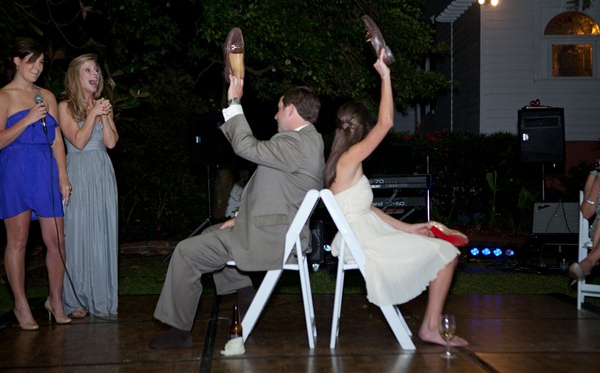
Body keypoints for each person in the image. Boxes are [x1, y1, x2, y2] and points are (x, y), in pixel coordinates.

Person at [149, 75, 325, 349]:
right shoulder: (309, 142)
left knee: (186, 251)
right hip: (279, 229)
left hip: (274, 239)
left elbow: (246, 147)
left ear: (291, 110)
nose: (275, 115)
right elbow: (281, 194)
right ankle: (245, 294)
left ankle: (179, 331)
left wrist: (234, 102)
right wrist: (240, 219)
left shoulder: (295, 142)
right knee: (213, 231)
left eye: (279, 109)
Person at [323, 49, 468, 347]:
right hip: (363, 241)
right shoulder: (350, 158)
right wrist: (385, 76)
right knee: (447, 254)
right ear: (363, 130)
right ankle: (430, 328)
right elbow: (386, 122)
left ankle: (430, 326)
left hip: (366, 232)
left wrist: (409, 228)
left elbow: (367, 210)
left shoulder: (342, 161)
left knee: (440, 248)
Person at [0, 37, 72, 329]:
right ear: (17, 61)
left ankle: (55, 300)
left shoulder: (47, 96)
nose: (38, 67)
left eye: (41, 62)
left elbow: (56, 139)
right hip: (15, 170)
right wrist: (27, 120)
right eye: (32, 61)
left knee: (56, 240)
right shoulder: (3, 96)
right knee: (18, 241)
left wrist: (63, 176)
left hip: (45, 170)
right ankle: (20, 305)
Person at [58, 54, 119, 318]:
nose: (94, 74)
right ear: (76, 75)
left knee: (102, 232)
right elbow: (78, 142)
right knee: (77, 233)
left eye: (96, 70)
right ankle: (74, 299)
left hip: (102, 172)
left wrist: (103, 115)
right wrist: (93, 113)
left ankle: (100, 297)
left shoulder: (103, 105)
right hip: (78, 172)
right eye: (88, 70)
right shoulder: (64, 107)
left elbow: (111, 142)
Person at [569, 161, 600, 281]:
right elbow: (586, 213)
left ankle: (590, 260)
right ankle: (591, 260)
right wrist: (597, 185)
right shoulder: (595, 174)